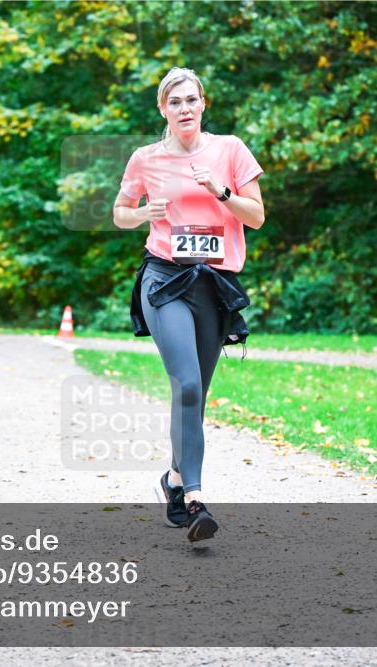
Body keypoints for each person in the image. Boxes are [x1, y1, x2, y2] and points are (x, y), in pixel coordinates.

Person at [113, 67, 265, 542]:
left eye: (191, 100)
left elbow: (257, 217)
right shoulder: (146, 158)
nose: (184, 108)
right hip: (164, 280)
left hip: (214, 284)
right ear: (163, 109)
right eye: (174, 101)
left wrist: (220, 191)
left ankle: (173, 480)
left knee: (193, 398)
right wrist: (142, 213)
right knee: (187, 384)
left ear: (203, 104)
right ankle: (196, 499)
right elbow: (119, 213)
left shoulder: (230, 150)